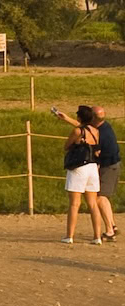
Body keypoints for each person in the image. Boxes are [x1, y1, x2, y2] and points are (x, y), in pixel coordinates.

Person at [58, 104, 104, 244]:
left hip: (79, 167)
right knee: (93, 204)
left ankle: (69, 235)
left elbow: (67, 146)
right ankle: (97, 236)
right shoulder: (95, 131)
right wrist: (66, 118)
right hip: (92, 167)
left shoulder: (77, 131)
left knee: (74, 204)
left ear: (79, 117)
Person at [95, 104, 120, 243]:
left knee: (100, 197)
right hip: (111, 166)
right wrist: (66, 118)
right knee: (103, 198)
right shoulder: (103, 126)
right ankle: (113, 225)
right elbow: (83, 128)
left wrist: (97, 159)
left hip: (109, 167)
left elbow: (106, 155)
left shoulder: (102, 134)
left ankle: (110, 231)